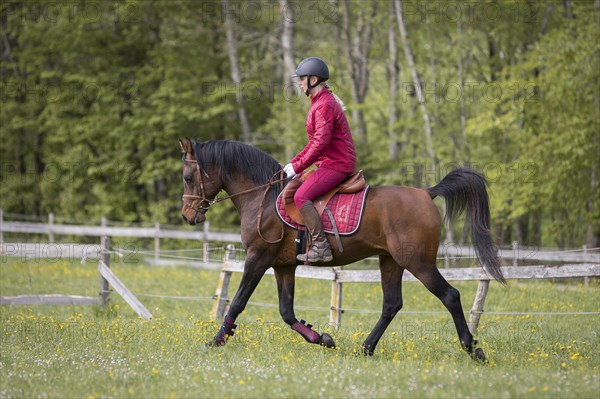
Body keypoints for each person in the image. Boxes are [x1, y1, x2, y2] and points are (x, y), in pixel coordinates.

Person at [283, 57, 357, 263]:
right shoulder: (319, 103)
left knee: (300, 197)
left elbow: (321, 143)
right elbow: (315, 142)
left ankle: (321, 246)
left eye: (302, 79)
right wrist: (294, 163)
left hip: (337, 164)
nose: (299, 83)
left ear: (313, 80)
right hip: (329, 162)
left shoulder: (324, 105)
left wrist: (298, 165)